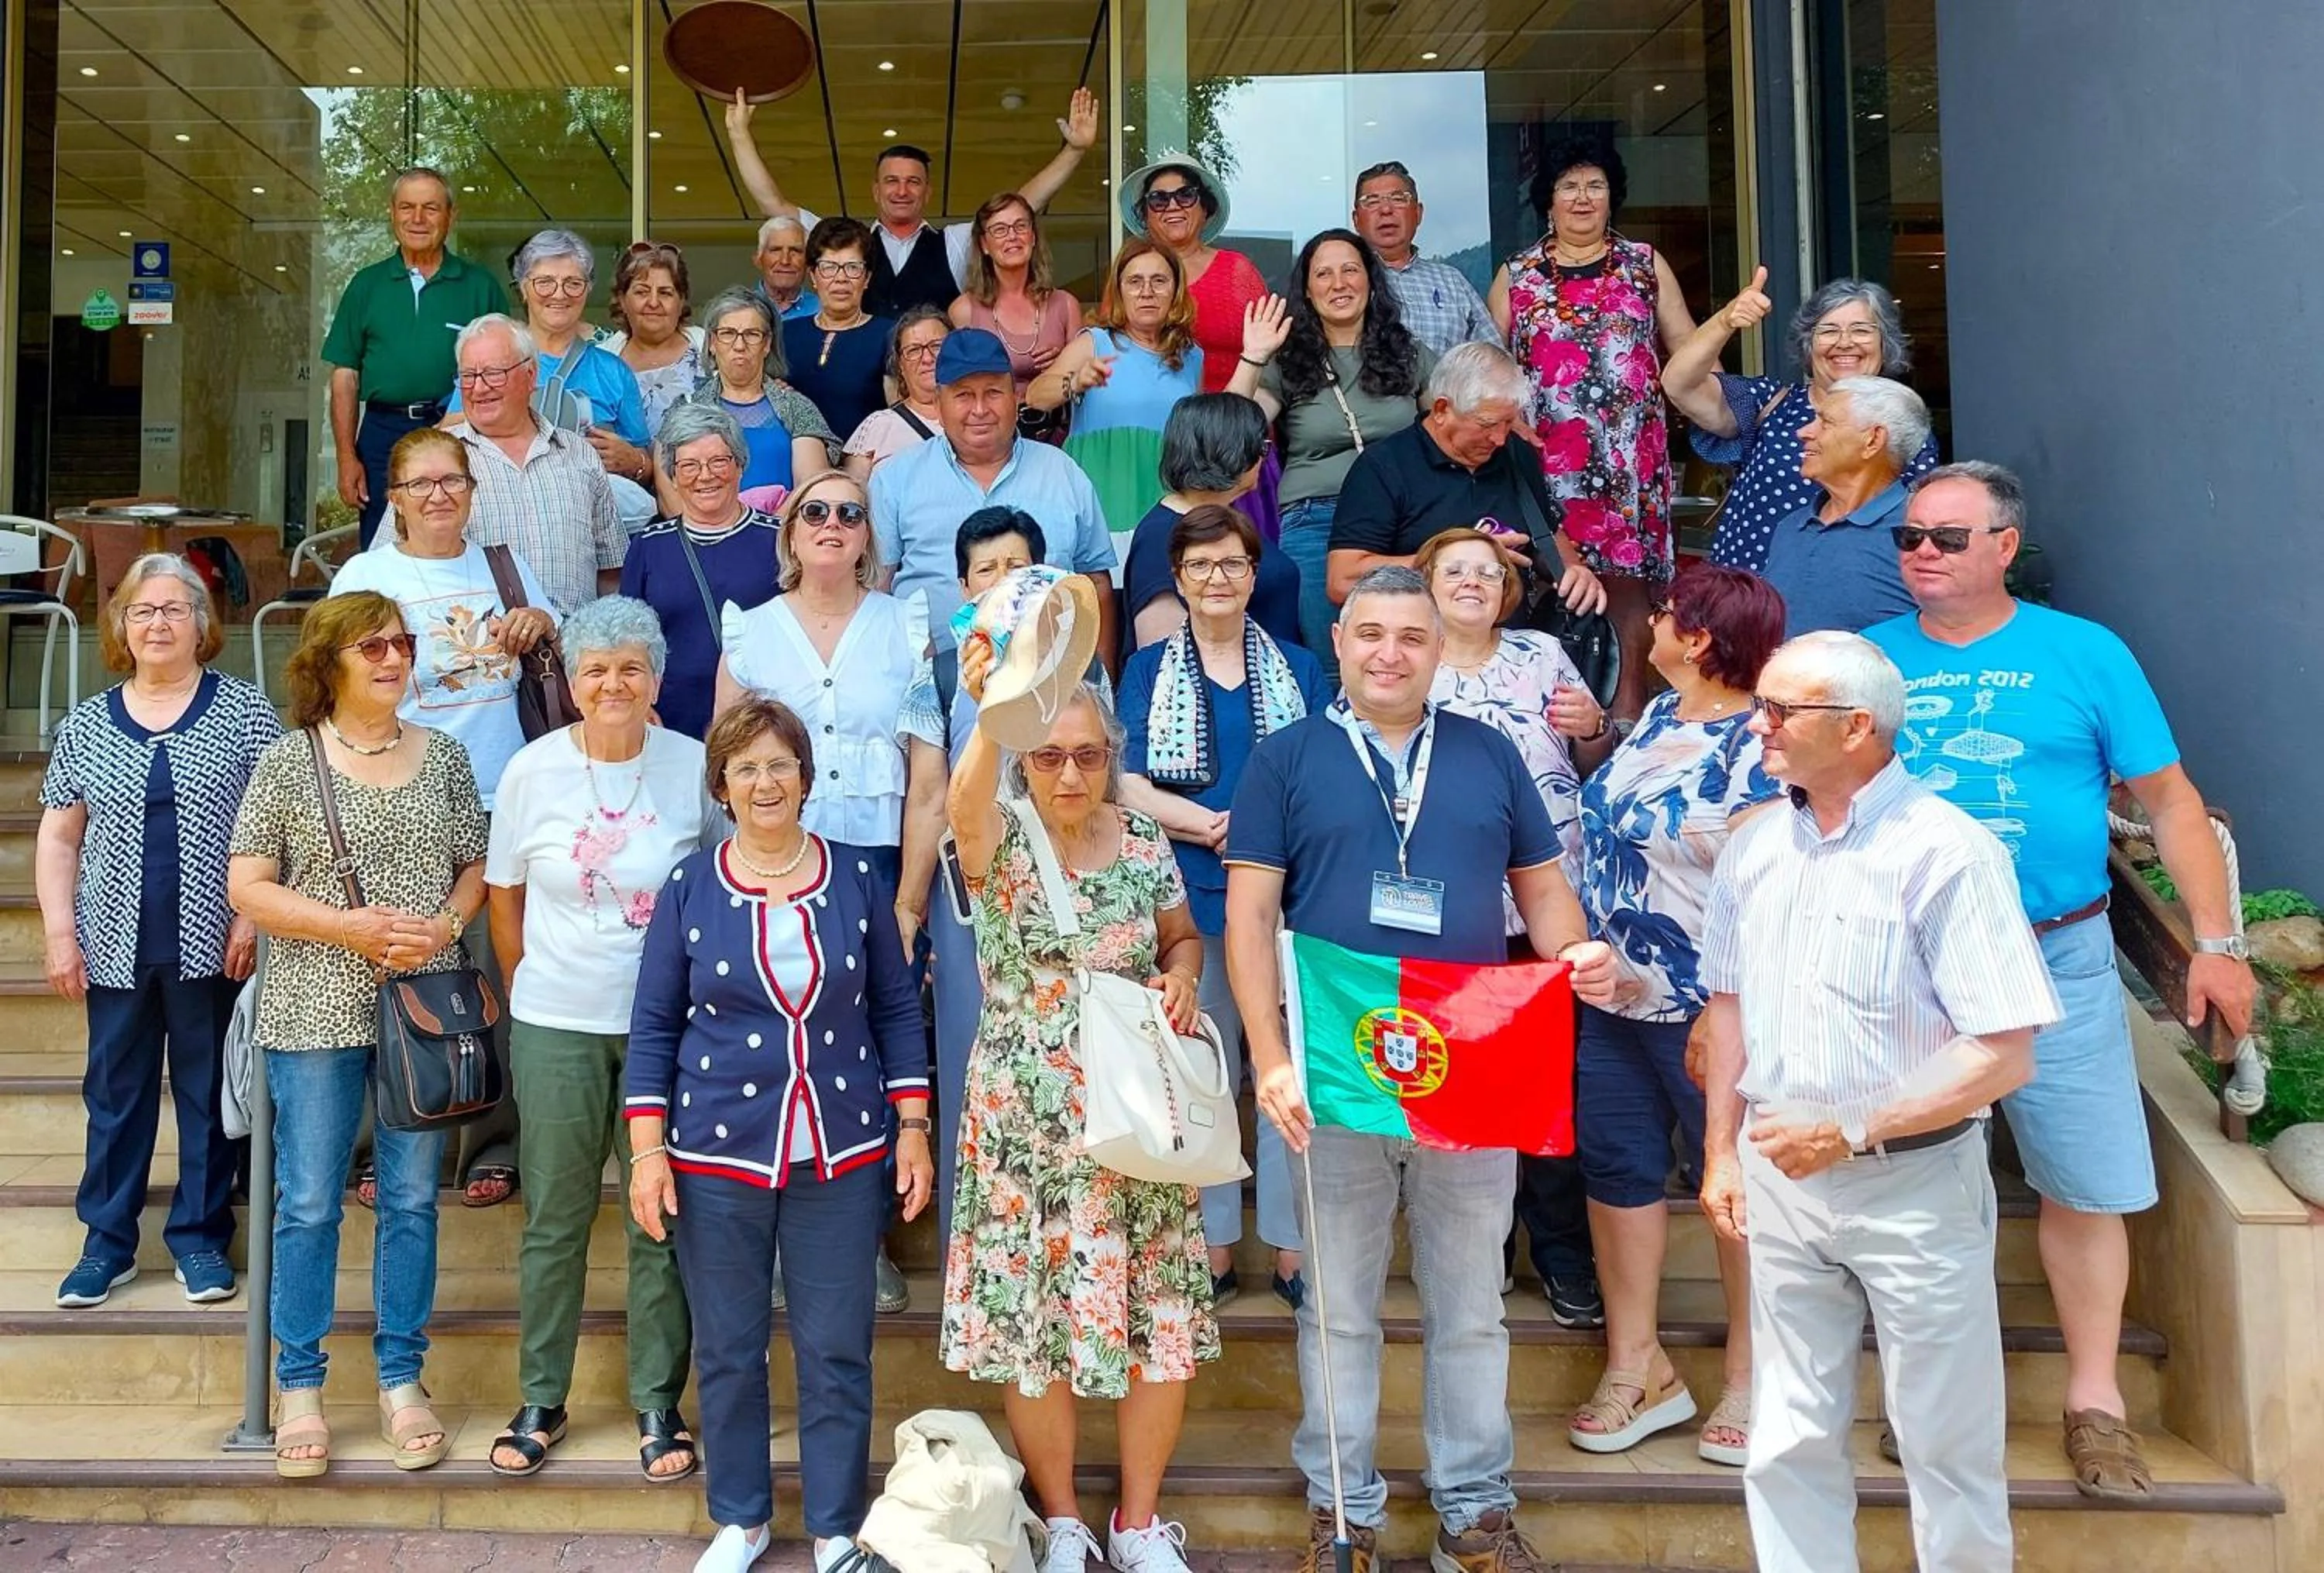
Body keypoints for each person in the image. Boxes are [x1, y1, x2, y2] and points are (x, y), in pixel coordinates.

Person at [1865, 461, 2258, 1499]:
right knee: (1914, 1187)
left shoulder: (2085, 652)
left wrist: (2217, 943)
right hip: (1909, 965)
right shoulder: (1866, 662)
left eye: (1947, 537)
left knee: (2082, 1187)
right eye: (1908, 537)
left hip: (2057, 955)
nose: (1921, 554)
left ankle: (2096, 1402)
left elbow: (2170, 801)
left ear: (2005, 545)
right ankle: (1937, 1399)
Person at [1224, 565, 1621, 1573]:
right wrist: (1268, 1058)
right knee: (1339, 1306)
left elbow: (1544, 890)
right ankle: (1342, 1512)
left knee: (1470, 1304)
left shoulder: (1490, 753)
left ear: (1440, 651)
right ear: (1341, 643)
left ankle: (1474, 1513)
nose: (1390, 652)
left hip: (1473, 1070)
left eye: (1412, 635)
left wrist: (1574, 951)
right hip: (1333, 1069)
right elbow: (1247, 918)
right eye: (1371, 635)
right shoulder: (1288, 756)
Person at [1696, 630, 2060, 1573]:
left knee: (1947, 1443)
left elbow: (2004, 1049)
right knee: (1787, 1436)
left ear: (1857, 726)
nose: (1758, 724)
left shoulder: (1948, 851)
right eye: (1759, 704)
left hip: (1915, 1180)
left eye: (1782, 709)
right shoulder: (1756, 845)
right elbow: (1726, 1004)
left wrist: (1852, 1126)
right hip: (1779, 1173)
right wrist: (1721, 1152)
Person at [626, 699, 934, 1573]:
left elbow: (896, 1014)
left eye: (780, 765)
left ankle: (837, 1521)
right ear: (722, 786)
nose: (766, 782)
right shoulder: (692, 885)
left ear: (806, 775)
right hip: (716, 1150)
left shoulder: (852, 880)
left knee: (837, 1340)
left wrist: (911, 1128)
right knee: (728, 1340)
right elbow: (652, 1029)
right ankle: (743, 1516)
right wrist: (648, 1154)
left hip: (840, 1148)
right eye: (746, 768)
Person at [942, 654, 1215, 1573]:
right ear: (1024, 758)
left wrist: (1180, 977)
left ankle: (1138, 1523)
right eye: (1049, 754)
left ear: (1112, 759)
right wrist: (996, 707)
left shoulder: (1142, 839)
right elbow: (959, 806)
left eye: (1089, 756)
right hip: (1030, 1122)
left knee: (1158, 1319)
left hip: (1137, 1114)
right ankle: (1062, 1518)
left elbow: (1182, 935)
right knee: (1037, 1324)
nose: (1069, 773)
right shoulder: (1000, 836)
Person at [227, 590, 489, 1479]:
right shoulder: (286, 761)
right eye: (372, 645)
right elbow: (250, 888)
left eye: (403, 644)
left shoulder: (446, 756)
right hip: (310, 1008)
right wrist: (349, 928)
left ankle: (401, 1379)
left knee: (411, 1198)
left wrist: (443, 929)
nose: (393, 658)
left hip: (418, 1012)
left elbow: (476, 866)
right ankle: (298, 1386)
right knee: (308, 1198)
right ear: (327, 662)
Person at [482, 596, 713, 1483]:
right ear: (571, 682)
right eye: (594, 669)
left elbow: (722, 881)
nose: (612, 683)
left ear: (655, 678)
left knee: (661, 1219)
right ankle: (543, 1394)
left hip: (672, 1033)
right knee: (555, 1220)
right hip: (557, 1022)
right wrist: (533, 980)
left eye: (630, 667)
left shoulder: (692, 765)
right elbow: (506, 896)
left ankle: (659, 1400)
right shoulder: (531, 771)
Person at [1566, 563, 1784, 1466]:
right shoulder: (1657, 717)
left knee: (1736, 1192)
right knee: (1619, 1175)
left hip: (1712, 1006)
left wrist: (1722, 999)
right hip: (1616, 996)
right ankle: (1639, 1364)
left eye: (1662, 615)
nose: (1647, 625)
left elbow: (1769, 885)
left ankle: (1751, 1374)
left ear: (1696, 637)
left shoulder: (1761, 743)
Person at [716, 470, 947, 1313]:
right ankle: (780, 1234)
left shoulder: (906, 625)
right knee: (781, 1032)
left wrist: (910, 901)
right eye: (815, 509)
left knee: (876, 1040)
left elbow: (928, 779)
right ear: (789, 532)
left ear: (867, 537)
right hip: (776, 858)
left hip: (879, 860)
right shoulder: (752, 631)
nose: (833, 522)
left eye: (851, 512)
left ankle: (868, 1238)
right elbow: (726, 764)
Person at [39, 555, 277, 1310]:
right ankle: (105, 1244)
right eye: (144, 611)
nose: (160, 623)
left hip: (216, 938)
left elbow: (277, 827)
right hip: (113, 941)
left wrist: (251, 911)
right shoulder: (86, 721)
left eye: (176, 609)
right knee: (116, 1093)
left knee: (210, 1094)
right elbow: (57, 838)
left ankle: (201, 1239)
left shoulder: (244, 710)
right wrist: (57, 931)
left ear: (203, 626)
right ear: (121, 627)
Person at [1118, 505, 1327, 1311]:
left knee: (1284, 1069)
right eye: (1201, 566)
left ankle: (1288, 1247)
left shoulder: (1302, 666)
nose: (1217, 578)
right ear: (1179, 578)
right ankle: (1211, 1247)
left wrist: (1267, 830)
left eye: (1232, 564)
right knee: (1201, 1073)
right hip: (1193, 898)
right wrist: (1207, 823)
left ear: (1253, 574)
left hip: (1285, 897)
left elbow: (1321, 764)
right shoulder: (1146, 670)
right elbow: (1126, 780)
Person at [1414, 527, 1611, 1333]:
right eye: (1453, 569)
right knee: (1465, 1089)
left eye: (1486, 573)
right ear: (1425, 584)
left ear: (1507, 590)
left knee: (1546, 1088)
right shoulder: (1403, 657)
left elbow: (1591, 762)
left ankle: (1563, 1254)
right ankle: (1479, 1253)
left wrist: (1597, 724)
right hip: (1451, 918)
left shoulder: (1541, 654)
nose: (1470, 582)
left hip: (1546, 913)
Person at [1488, 137, 1697, 724]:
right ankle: (1550, 725)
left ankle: (1627, 721)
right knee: (1554, 587)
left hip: (1630, 461)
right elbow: (1486, 367)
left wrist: (1730, 418)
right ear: (1548, 200)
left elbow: (1687, 352)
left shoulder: (1644, 264)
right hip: (1547, 460)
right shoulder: (1518, 274)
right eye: (1569, 186)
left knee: (1628, 593)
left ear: (1612, 197)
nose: (1583, 198)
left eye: (1595, 185)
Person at [330, 427, 558, 814]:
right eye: (419, 484)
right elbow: (335, 687)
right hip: (405, 795)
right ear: (396, 500)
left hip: (508, 793)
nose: (439, 495)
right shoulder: (366, 576)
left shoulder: (503, 566)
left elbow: (566, 651)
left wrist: (542, 623)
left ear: (471, 489)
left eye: (452, 480)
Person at [1229, 229, 1431, 652]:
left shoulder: (1409, 354)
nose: (1338, 283)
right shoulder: (1287, 362)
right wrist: (1254, 356)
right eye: (1323, 274)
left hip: (1406, 516)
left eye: (1350, 270)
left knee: (1410, 652)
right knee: (1332, 658)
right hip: (1317, 519)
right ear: (1307, 290)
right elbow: (1231, 431)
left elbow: (1453, 424)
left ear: (1371, 281)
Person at [727, 88, 1101, 316]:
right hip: (863, 395)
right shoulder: (843, 242)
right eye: (892, 181)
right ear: (876, 191)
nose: (902, 191)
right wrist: (739, 133)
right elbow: (773, 203)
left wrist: (1074, 150)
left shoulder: (952, 244)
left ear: (928, 192)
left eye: (913, 182)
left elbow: (1020, 207)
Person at [1662, 274, 1939, 573]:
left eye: (1861, 330)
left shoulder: (1903, 426)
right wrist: (1725, 321)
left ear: (1885, 343)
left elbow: (1921, 524)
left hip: (1856, 594)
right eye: (1829, 330)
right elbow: (1679, 384)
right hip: (1749, 595)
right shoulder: (1768, 403)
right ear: (1809, 346)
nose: (1845, 343)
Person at [870, 328, 1116, 657]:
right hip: (932, 687)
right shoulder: (895, 479)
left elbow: (1096, 586)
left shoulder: (1063, 472)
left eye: (993, 393)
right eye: (963, 396)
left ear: (1016, 397)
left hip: (1052, 683)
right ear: (939, 405)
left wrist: (1101, 688)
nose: (980, 409)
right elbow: (876, 591)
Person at [1329, 343, 1604, 624]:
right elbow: (1342, 580)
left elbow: (1546, 534)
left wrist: (1572, 570)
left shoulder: (1515, 450)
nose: (1499, 438)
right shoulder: (1384, 467)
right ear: (1441, 410)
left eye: (1508, 422)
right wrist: (1454, 560)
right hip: (1424, 644)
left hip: (1509, 644)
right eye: (1486, 424)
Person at [324, 166, 511, 546]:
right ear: (392, 213)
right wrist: (347, 457)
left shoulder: (479, 286)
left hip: (461, 432)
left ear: (450, 216)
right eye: (407, 207)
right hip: (382, 436)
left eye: (431, 208)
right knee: (382, 542)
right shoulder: (366, 285)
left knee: (468, 532)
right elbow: (346, 376)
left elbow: (505, 370)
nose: (418, 219)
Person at [1029, 239, 1205, 563]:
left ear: (1176, 291)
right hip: (1103, 498)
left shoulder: (1192, 356)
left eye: (1159, 281)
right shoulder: (1095, 341)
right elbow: (1037, 395)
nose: (1147, 291)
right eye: (1135, 282)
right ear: (1120, 290)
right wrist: (1075, 381)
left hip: (1169, 504)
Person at [445, 230, 655, 496]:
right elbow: (447, 438)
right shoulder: (489, 357)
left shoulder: (613, 371)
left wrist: (635, 463)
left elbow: (649, 468)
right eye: (544, 282)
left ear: (588, 289)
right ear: (523, 288)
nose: (559, 294)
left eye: (573, 283)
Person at [619, 404, 782, 742]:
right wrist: (639, 704)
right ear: (673, 476)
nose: (705, 475)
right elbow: (629, 640)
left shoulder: (780, 539)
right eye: (689, 466)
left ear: (740, 465)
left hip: (764, 719)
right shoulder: (649, 546)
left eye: (718, 461)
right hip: (672, 722)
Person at [446, 315, 625, 616]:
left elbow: (611, 571)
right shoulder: (439, 458)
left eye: (493, 374)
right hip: (481, 655)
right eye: (468, 376)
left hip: (572, 653)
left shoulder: (578, 452)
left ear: (530, 376)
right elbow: (391, 564)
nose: (479, 388)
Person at [1122, 393, 1301, 650]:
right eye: (1261, 446)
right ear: (1231, 450)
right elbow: (1163, 654)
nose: (1265, 456)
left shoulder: (1228, 519)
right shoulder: (1161, 535)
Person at [1758, 375, 1927, 637]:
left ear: (1873, 441)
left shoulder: (1919, 533)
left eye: (1825, 422)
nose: (1803, 432)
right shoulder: (1791, 527)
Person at [1122, 155, 1270, 398]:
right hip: (1154, 423)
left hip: (1237, 418)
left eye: (1186, 195)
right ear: (1146, 216)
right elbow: (1109, 350)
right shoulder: (1131, 273)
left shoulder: (1238, 270)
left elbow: (1272, 353)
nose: (1172, 206)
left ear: (1205, 209)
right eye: (1158, 199)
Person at [679, 287, 839, 498]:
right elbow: (671, 491)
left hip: (779, 527)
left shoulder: (796, 407)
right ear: (712, 343)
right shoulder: (686, 409)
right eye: (727, 334)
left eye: (752, 334)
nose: (739, 345)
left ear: (767, 344)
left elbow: (810, 493)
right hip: (704, 529)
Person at [1350, 160, 1497, 358]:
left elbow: (1493, 358)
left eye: (1398, 199)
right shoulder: (1344, 282)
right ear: (1356, 220)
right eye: (1372, 201)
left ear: (1418, 213)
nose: (1386, 210)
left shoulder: (1452, 281)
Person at [949, 192, 1082, 398]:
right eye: (1000, 230)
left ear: (1033, 236)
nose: (1013, 236)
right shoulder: (963, 310)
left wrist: (1062, 367)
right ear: (984, 245)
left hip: (1061, 426)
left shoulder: (1065, 304)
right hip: (993, 426)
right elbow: (956, 387)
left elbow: (1084, 383)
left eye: (1021, 226)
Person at [782, 219, 895, 444]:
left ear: (867, 278)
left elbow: (898, 416)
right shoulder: (784, 334)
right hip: (795, 467)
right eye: (829, 267)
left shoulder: (890, 334)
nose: (841, 278)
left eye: (853, 268)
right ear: (813, 276)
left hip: (866, 468)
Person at [603, 240, 706, 432]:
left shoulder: (711, 350)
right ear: (622, 300)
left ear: (681, 301)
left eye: (665, 293)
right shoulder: (601, 363)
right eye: (641, 292)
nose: (653, 302)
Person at [844, 308, 950, 480]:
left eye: (937, 346)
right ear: (900, 364)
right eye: (914, 350)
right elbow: (853, 496)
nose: (927, 359)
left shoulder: (978, 416)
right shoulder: (878, 426)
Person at [749, 212, 819, 321]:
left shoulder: (824, 311)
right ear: (758, 260)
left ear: (808, 262)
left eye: (795, 251)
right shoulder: (736, 309)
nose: (785, 261)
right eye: (775, 250)